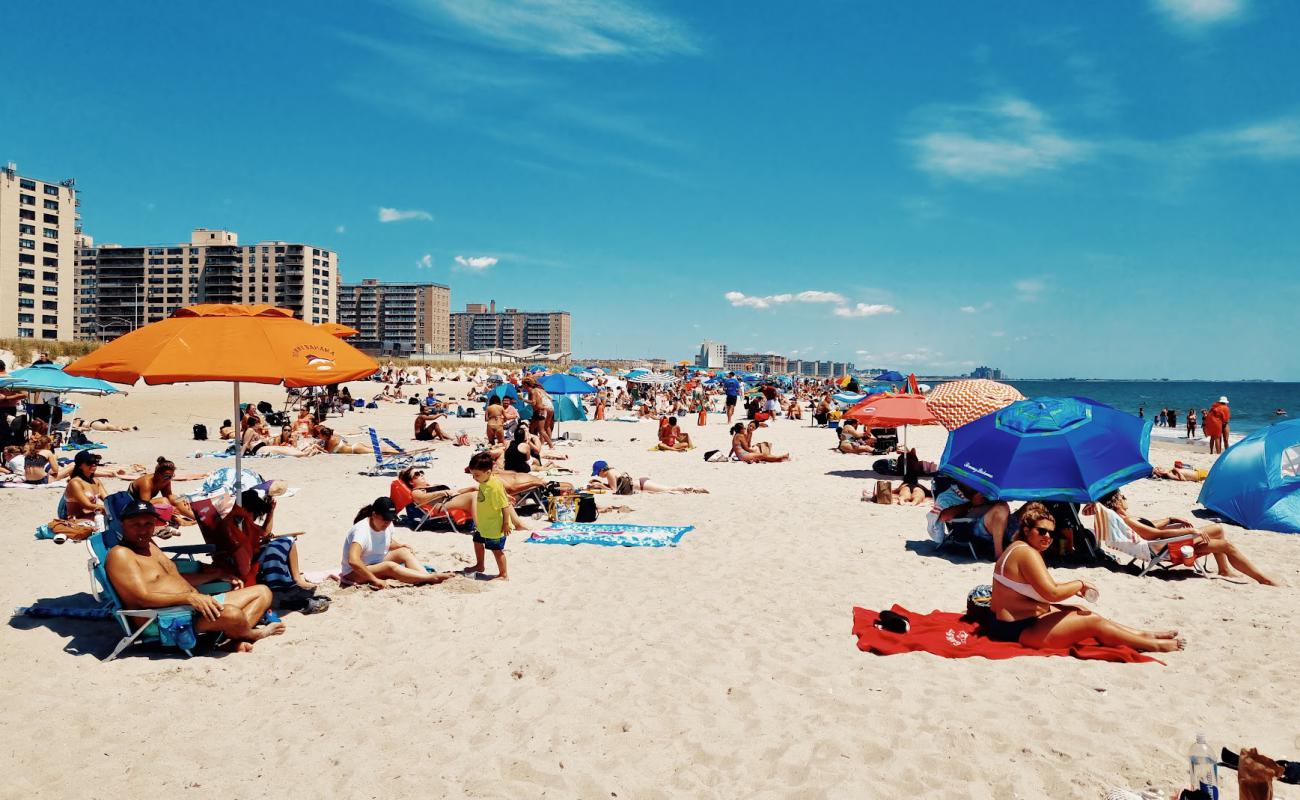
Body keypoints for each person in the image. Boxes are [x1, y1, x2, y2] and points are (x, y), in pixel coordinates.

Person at [986, 502, 1184, 653]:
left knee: (1080, 610)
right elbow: (1052, 593)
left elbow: (1041, 588)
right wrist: (1079, 584)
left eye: (1051, 533)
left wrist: (1073, 589)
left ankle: (1142, 634)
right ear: (1027, 530)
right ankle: (1152, 645)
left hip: (1010, 624)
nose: (1047, 537)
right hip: (1016, 631)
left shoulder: (1016, 547)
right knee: (1092, 622)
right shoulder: (1027, 553)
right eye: (1042, 531)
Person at [105, 499, 285, 651]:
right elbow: (141, 598)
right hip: (165, 618)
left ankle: (235, 638)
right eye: (135, 524)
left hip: (195, 606)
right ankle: (253, 634)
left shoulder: (150, 546)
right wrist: (190, 598)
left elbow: (173, 579)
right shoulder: (121, 555)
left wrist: (216, 575)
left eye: (148, 524)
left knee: (263, 591)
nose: (143, 530)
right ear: (123, 524)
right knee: (233, 615)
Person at [1097, 491, 1275, 585]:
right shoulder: (1127, 520)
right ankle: (1262, 579)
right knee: (1226, 545)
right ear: (1117, 502)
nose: (1125, 498)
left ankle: (1224, 569)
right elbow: (1156, 534)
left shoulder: (1128, 519)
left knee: (1218, 530)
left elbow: (1151, 525)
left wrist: (1170, 519)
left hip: (1160, 544)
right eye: (1122, 496)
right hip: (1163, 548)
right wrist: (1190, 533)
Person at [340, 497, 454, 588]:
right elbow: (353, 561)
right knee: (389, 566)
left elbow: (385, 541)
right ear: (374, 515)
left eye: (390, 519)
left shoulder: (387, 525)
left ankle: (425, 576)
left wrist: (399, 546)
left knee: (404, 552)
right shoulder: (361, 530)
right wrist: (374, 579)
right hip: (355, 573)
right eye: (385, 519)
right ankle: (431, 578)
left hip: (375, 562)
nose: (387, 523)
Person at [466, 451, 522, 579]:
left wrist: (506, 524)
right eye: (473, 475)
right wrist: (506, 495)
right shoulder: (485, 481)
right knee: (477, 541)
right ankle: (480, 565)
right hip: (484, 523)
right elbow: (499, 494)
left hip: (495, 525)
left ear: (488, 472)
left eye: (477, 475)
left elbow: (505, 506)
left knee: (496, 550)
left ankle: (503, 574)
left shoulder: (494, 486)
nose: (474, 478)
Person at [933, 481, 1011, 559]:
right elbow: (943, 516)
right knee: (1001, 507)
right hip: (975, 527)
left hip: (1000, 523)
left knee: (1022, 511)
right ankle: (999, 555)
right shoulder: (948, 495)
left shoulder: (982, 491)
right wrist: (971, 504)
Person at [129, 457, 197, 523]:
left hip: (145, 504)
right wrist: (170, 508)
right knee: (164, 501)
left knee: (177, 499)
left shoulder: (166, 480)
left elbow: (169, 495)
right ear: (157, 474)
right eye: (166, 476)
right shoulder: (146, 483)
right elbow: (145, 504)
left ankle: (197, 518)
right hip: (134, 506)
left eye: (171, 476)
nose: (169, 479)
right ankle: (180, 521)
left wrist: (182, 499)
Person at [588, 459, 708, 494]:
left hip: (641, 485)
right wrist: (601, 484)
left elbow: (614, 490)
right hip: (641, 482)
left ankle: (694, 488)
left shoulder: (609, 474)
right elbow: (615, 485)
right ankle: (692, 489)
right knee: (669, 489)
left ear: (603, 470)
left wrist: (600, 485)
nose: (598, 475)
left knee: (670, 489)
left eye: (598, 473)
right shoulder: (612, 470)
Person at [72, 418, 137, 432]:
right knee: (110, 426)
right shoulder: (84, 420)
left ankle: (119, 429)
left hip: (93, 424)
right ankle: (126, 428)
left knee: (107, 427)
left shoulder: (78, 420)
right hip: (99, 421)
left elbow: (74, 427)